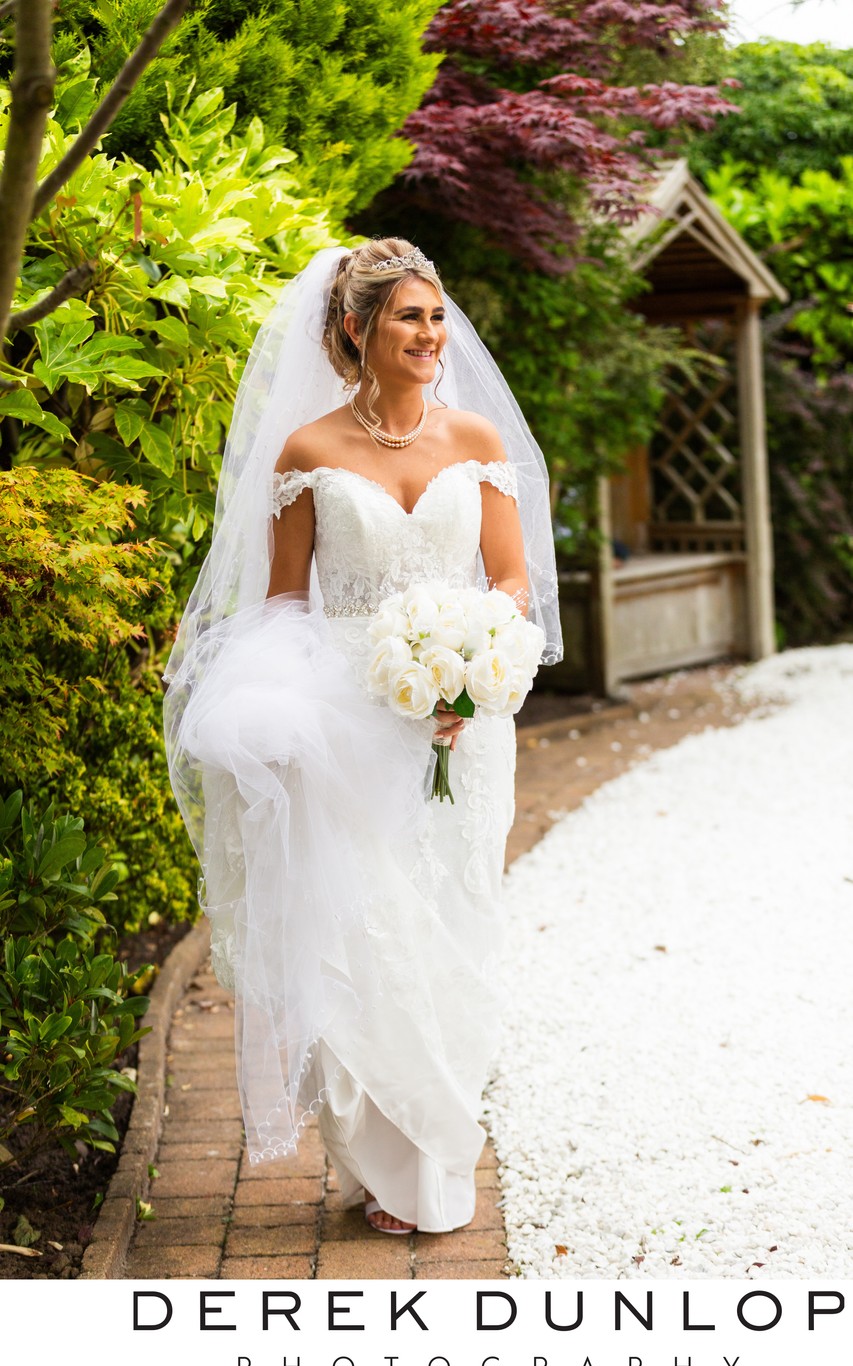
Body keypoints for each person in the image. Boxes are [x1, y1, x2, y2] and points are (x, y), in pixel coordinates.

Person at [163, 237, 562, 1236]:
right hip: (345, 721)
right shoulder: (305, 453)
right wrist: (285, 715)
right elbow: (285, 605)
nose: (431, 335)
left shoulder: (475, 440)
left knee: (447, 926)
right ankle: (390, 1168)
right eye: (407, 319)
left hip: (459, 726)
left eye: (436, 316)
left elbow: (509, 582)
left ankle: (439, 1143)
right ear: (355, 330)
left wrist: (469, 666)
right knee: (356, 931)